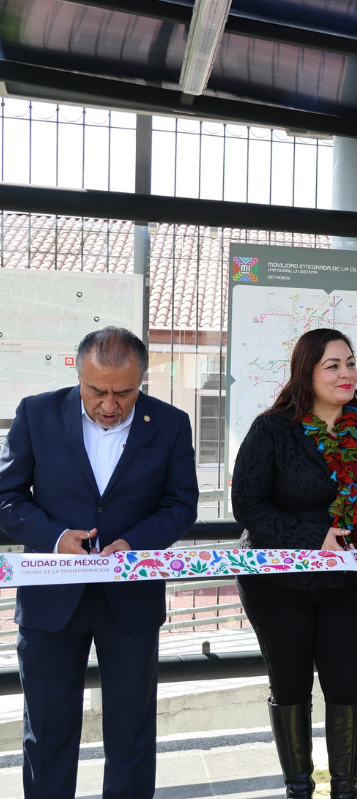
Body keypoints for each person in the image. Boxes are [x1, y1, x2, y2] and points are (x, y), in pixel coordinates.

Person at [0, 327, 199, 799]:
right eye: (97, 391)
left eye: (124, 392)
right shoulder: (36, 413)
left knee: (131, 736)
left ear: (142, 380)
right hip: (51, 602)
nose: (109, 404)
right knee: (47, 735)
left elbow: (181, 504)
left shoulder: (171, 423)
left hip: (130, 602)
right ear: (77, 372)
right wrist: (53, 537)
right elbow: (6, 498)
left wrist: (134, 542)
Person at [231, 328, 357, 799]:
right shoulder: (272, 430)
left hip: (347, 580)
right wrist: (314, 537)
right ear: (306, 372)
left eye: (350, 362)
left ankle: (345, 788)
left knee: (346, 683)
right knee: (290, 684)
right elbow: (247, 505)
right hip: (277, 583)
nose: (346, 372)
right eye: (332, 365)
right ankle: (298, 788)